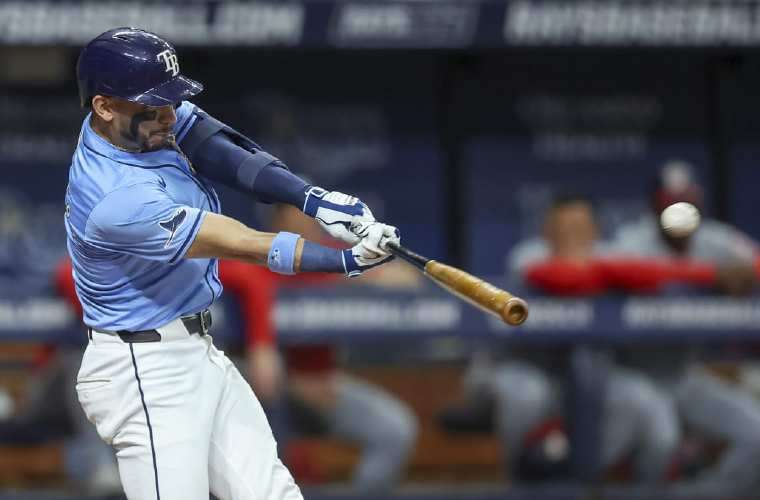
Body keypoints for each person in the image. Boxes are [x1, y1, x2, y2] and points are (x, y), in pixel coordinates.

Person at [65, 27, 400, 500]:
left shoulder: (135, 124)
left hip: (198, 353)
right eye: (154, 104)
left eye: (170, 100)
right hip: (143, 370)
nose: (169, 114)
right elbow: (242, 243)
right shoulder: (113, 198)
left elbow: (218, 148)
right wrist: (344, 259)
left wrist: (313, 199)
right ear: (104, 105)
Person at [461, 195, 682, 482]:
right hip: (518, 366)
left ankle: (579, 483)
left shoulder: (611, 255)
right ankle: (520, 485)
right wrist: (608, 273)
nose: (570, 236)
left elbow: (653, 276)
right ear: (546, 232)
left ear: (595, 231)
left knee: (641, 398)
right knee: (527, 393)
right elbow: (559, 275)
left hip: (588, 375)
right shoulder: (528, 254)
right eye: (561, 228)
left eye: (579, 227)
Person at [219, 208, 418, 492]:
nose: (306, 232)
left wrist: (369, 277)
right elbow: (240, 273)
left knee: (394, 429)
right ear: (277, 226)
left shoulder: (328, 257)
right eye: (295, 224)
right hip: (271, 389)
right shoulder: (259, 257)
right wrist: (264, 345)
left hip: (325, 389)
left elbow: (405, 280)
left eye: (310, 224)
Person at [612, 161, 760, 495]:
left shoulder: (714, 238)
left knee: (757, 434)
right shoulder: (631, 239)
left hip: (683, 374)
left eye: (686, 202)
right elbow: (618, 271)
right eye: (670, 203)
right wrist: (709, 276)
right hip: (634, 373)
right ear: (655, 206)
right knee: (662, 440)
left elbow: (754, 261)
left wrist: (747, 271)